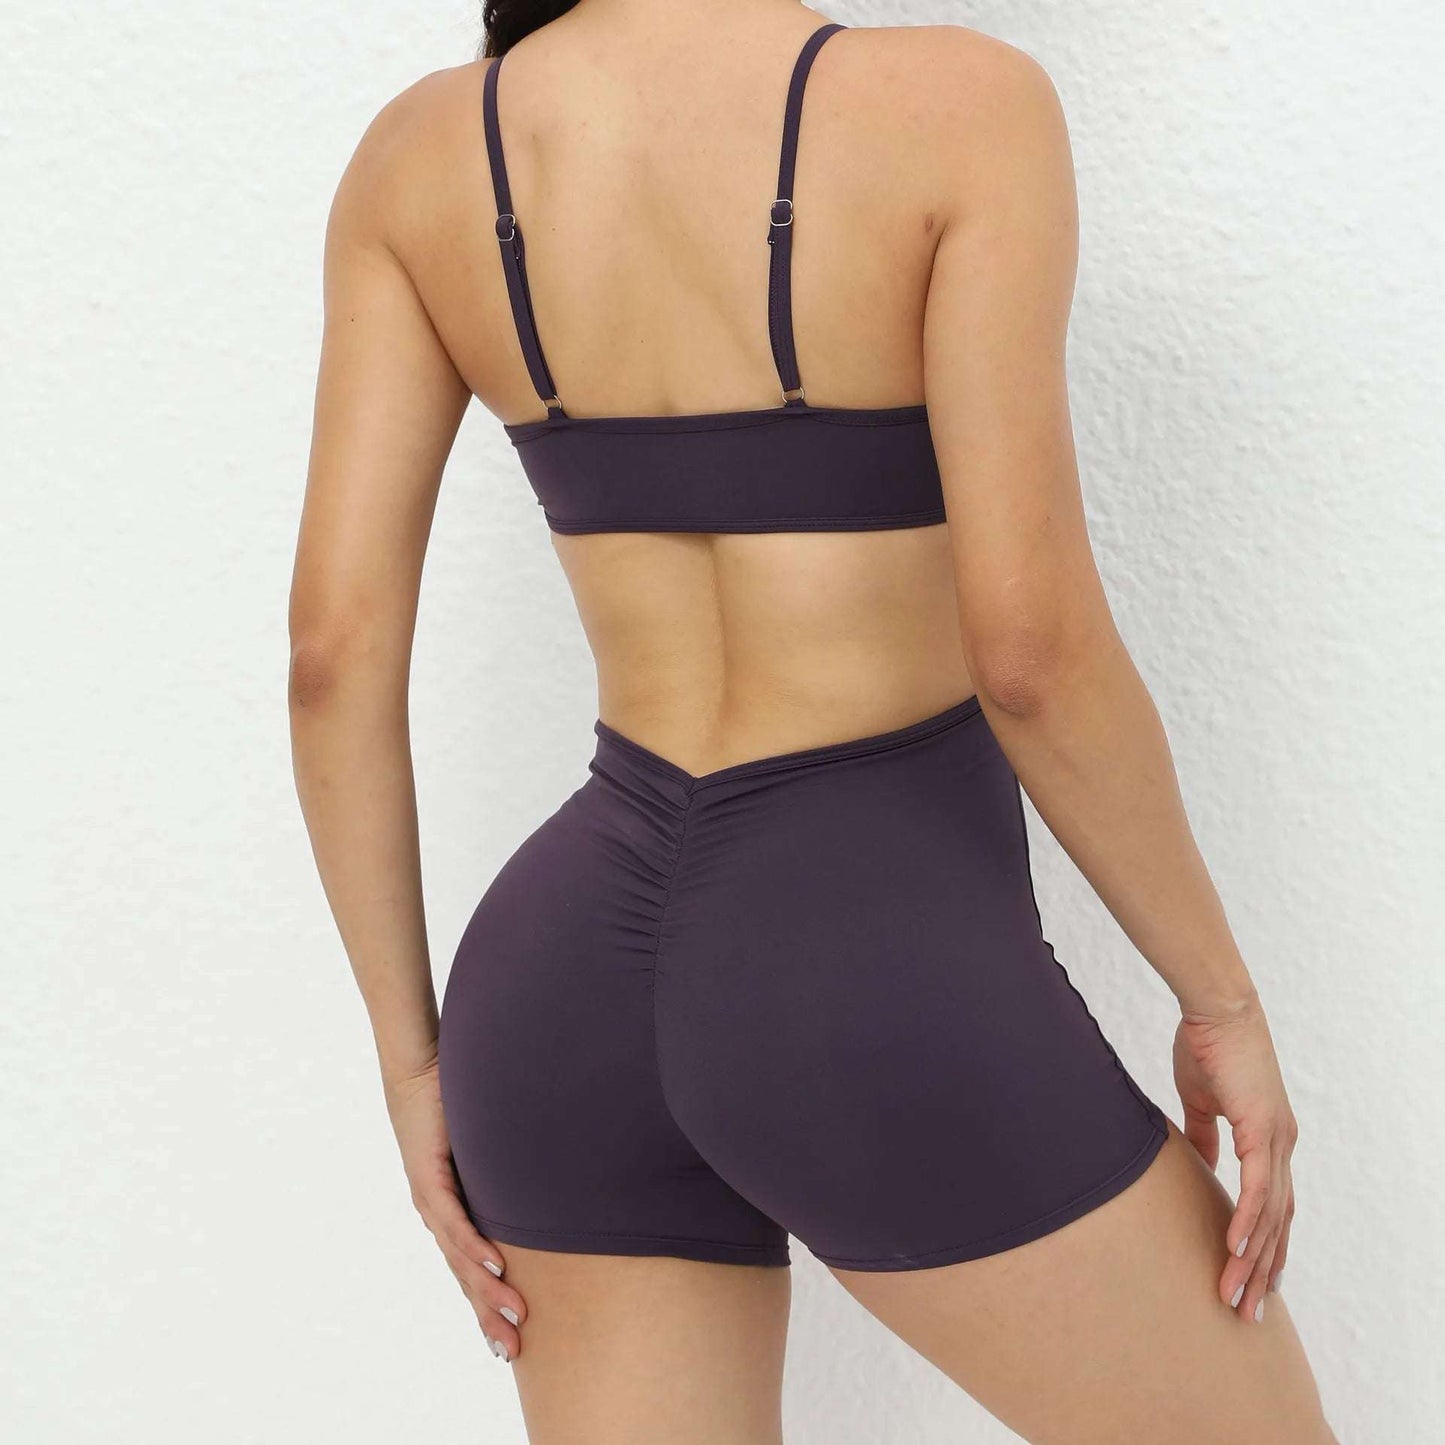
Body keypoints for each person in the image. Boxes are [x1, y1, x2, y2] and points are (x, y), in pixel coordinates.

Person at [288, 3, 1338, 1440]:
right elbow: (1031, 653)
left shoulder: (418, 156)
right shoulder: (959, 108)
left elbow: (332, 657)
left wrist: (415, 1064)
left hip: (552, 990)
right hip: (861, 950)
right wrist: (1218, 1002)